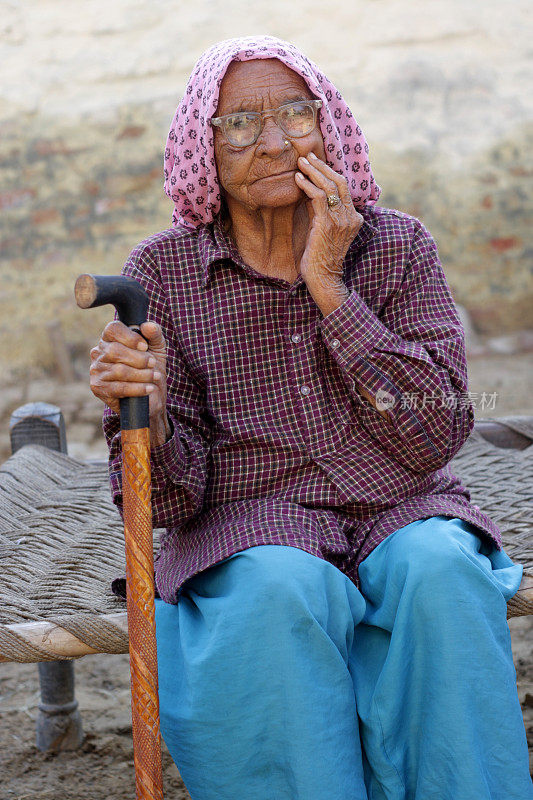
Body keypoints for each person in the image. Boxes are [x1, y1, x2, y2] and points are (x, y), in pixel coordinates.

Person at [89, 35, 532, 800]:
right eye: (238, 123)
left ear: (327, 130)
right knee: (276, 588)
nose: (271, 140)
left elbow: (433, 433)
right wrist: (149, 415)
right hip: (248, 522)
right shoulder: (161, 271)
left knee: (442, 571)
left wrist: (327, 283)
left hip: (402, 506)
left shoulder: (397, 246)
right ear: (205, 144)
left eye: (296, 113)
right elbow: (165, 504)